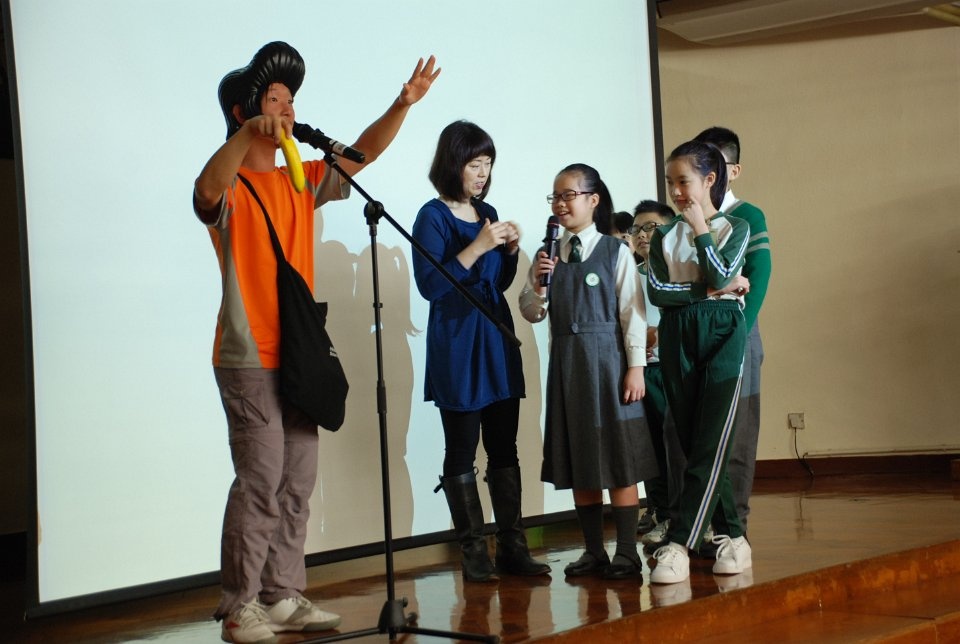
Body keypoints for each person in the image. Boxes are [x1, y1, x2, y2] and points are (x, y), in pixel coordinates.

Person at [192, 42, 439, 644]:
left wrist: (402, 104)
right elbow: (204, 191)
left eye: (291, 100)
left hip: (299, 355)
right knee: (260, 480)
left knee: (297, 482)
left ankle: (281, 595)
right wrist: (247, 133)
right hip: (249, 356)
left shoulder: (298, 180)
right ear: (243, 110)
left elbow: (363, 154)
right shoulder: (232, 184)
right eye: (275, 99)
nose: (288, 109)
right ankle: (239, 606)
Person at [411, 120, 550, 583]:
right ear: (454, 163)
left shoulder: (486, 211)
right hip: (457, 342)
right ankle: (473, 553)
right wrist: (478, 246)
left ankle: (513, 547)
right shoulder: (432, 216)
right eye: (475, 164)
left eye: (488, 164)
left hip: (494, 337)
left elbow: (499, 283)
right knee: (461, 448)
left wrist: (508, 252)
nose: (483, 173)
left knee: (504, 446)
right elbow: (431, 286)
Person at [519, 163, 658, 580]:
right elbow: (532, 312)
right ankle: (594, 551)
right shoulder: (548, 255)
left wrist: (636, 368)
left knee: (618, 458)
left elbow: (633, 313)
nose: (560, 204)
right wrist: (538, 284)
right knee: (581, 458)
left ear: (593, 200)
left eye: (569, 195)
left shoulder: (615, 251)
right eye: (555, 197)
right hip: (568, 368)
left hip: (610, 364)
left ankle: (627, 553)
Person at [645, 141, 752, 585]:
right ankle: (735, 537)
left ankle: (679, 543)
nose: (676, 192)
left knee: (712, 438)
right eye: (670, 182)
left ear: (709, 180)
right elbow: (657, 292)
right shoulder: (662, 235)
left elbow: (723, 273)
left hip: (723, 329)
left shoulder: (736, 226)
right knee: (693, 441)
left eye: (683, 181)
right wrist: (706, 291)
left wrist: (701, 230)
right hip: (677, 333)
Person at [693, 126, 771, 536]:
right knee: (697, 433)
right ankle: (699, 526)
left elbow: (758, 277)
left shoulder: (747, 216)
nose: (708, 173)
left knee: (738, 435)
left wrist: (735, 334)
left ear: (733, 171)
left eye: (717, 165)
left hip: (737, 333)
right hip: (694, 337)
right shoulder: (687, 218)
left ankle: (733, 530)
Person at [627, 200, 677, 540]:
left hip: (671, 369)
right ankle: (661, 512)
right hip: (641, 371)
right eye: (637, 229)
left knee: (676, 446)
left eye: (651, 227)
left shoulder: (680, 270)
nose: (642, 235)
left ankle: (685, 516)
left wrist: (659, 332)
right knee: (649, 448)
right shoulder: (629, 274)